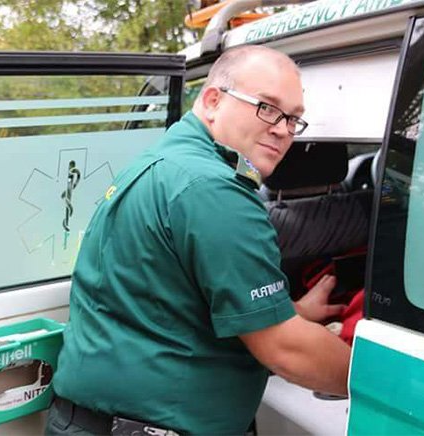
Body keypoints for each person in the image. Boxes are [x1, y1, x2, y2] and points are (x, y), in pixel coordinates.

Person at [46, 45, 351, 436]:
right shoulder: (213, 190)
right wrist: (387, 384)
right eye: (268, 108)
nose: (282, 129)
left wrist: (294, 311)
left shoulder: (162, 162)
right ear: (212, 101)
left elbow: (171, 292)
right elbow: (286, 350)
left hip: (88, 421)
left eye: (293, 119)